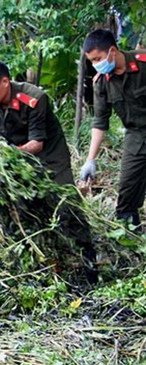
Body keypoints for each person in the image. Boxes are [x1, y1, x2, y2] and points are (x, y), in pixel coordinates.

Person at [0, 58, 97, 282]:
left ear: (5, 82)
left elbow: (37, 143)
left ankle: (89, 258)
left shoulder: (35, 98)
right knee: (20, 205)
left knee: (66, 204)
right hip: (16, 156)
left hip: (50, 155)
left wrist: (8, 155)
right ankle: (40, 259)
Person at [80, 29, 146, 229]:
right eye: (91, 61)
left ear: (112, 51)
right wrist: (90, 159)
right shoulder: (101, 82)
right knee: (127, 192)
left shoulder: (143, 62)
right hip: (136, 135)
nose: (95, 64)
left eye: (98, 58)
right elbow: (100, 121)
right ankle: (132, 239)